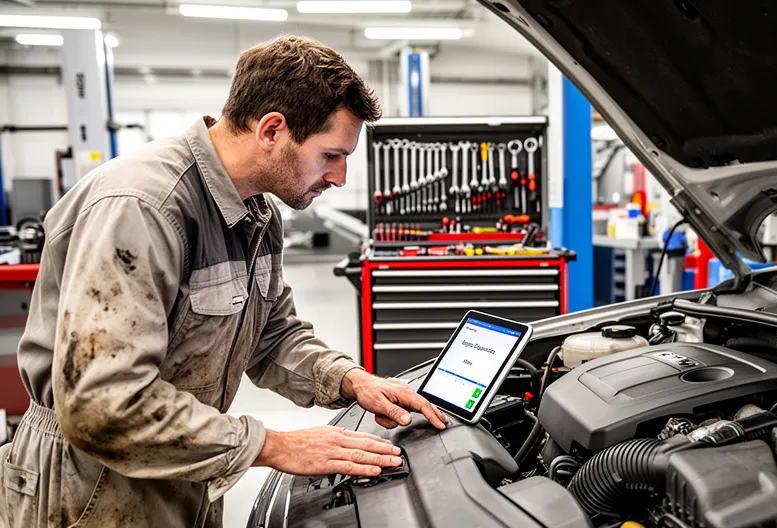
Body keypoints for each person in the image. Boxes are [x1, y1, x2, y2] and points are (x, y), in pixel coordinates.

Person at [0, 35, 446, 528]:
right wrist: (274, 445)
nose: (340, 178)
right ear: (272, 129)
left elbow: (272, 335)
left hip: (184, 467)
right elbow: (103, 404)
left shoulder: (255, 214)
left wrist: (350, 379)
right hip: (89, 486)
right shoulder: (145, 208)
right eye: (331, 156)